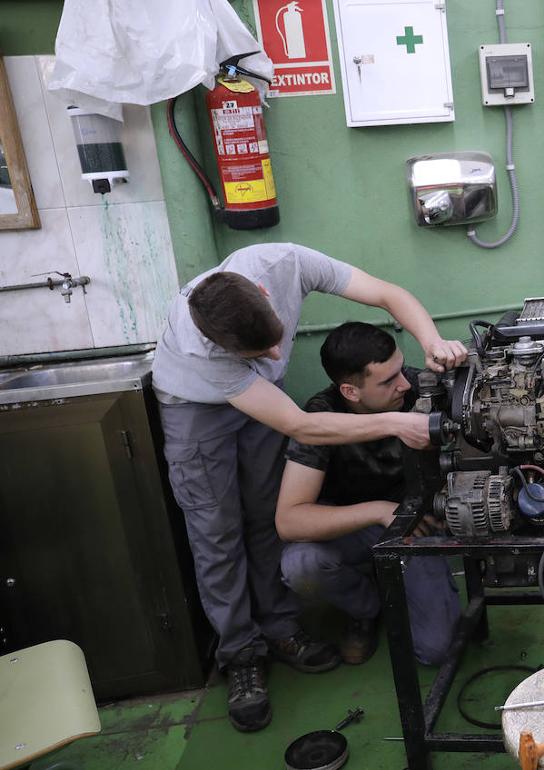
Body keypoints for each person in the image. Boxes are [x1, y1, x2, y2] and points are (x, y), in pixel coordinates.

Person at [152, 243, 467, 733]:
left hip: (261, 393)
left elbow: (385, 293)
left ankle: (280, 630)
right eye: (262, 352)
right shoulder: (204, 353)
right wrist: (394, 424)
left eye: (278, 339)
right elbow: (304, 427)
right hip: (196, 407)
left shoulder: (282, 264)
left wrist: (432, 342)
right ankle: (241, 656)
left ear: (265, 294)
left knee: (261, 521)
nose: (278, 356)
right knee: (217, 533)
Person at [275, 323, 460, 668]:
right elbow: (289, 521)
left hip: (415, 528)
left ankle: (403, 596)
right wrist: (379, 510)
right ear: (350, 391)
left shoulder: (422, 389)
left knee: (435, 649)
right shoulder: (319, 418)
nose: (404, 384)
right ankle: (368, 607)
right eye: (388, 381)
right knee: (301, 565)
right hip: (355, 527)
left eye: (400, 369)